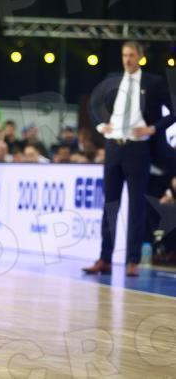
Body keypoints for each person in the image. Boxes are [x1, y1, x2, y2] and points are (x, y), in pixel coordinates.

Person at [83, 41, 176, 277]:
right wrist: (101, 125)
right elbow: (94, 104)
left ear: (140, 57)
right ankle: (104, 258)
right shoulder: (113, 79)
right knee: (110, 203)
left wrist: (153, 128)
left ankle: (132, 260)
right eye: (125, 55)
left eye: (132, 55)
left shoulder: (153, 82)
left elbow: (173, 110)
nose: (128, 59)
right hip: (114, 146)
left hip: (138, 149)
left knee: (136, 205)